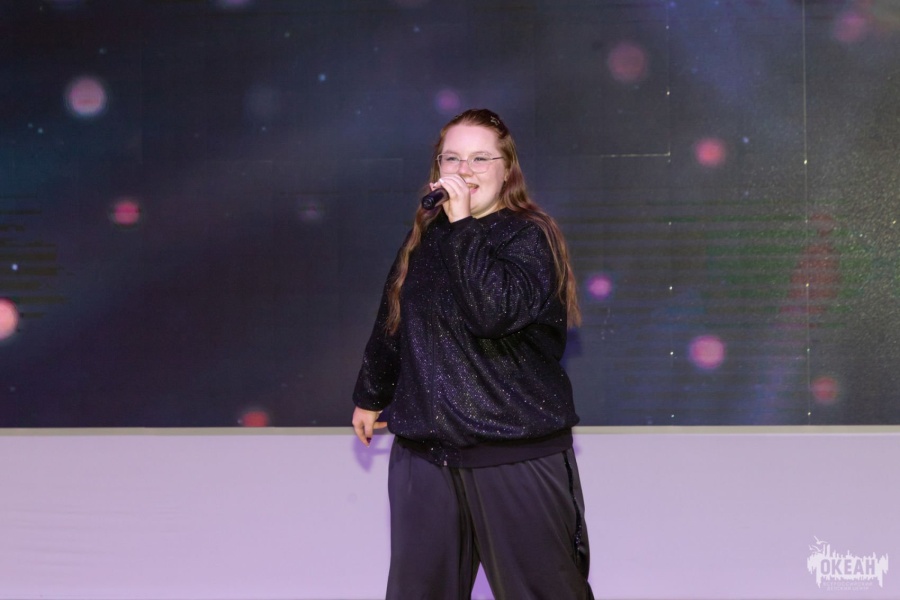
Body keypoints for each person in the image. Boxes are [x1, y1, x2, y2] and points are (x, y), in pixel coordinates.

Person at [352, 108, 594, 600]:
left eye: (480, 159)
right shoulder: (425, 238)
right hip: (425, 454)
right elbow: (393, 318)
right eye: (452, 159)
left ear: (507, 170)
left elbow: (493, 313)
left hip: (513, 450)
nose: (464, 170)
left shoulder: (530, 235)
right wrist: (371, 395)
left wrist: (463, 224)